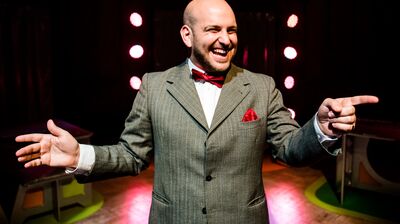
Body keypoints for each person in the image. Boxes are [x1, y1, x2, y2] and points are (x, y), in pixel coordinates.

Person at [15, 0, 379, 223]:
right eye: (213, 29)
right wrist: (80, 155)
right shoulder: (155, 85)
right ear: (187, 35)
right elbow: (132, 155)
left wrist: (321, 127)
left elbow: (289, 148)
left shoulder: (262, 86)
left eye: (232, 30)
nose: (226, 38)